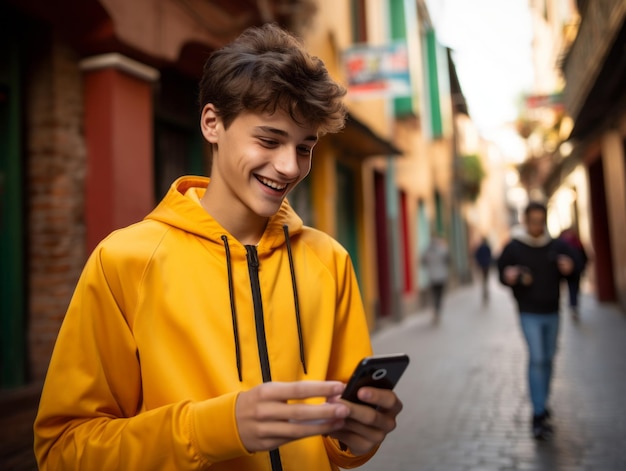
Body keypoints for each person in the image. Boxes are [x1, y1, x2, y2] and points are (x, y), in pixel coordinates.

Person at [34, 23, 402, 471]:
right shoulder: (125, 261)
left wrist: (360, 435)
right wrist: (216, 429)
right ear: (212, 123)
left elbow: (341, 444)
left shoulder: (330, 260)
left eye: (305, 148)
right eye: (269, 140)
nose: (289, 167)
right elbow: (62, 451)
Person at [498, 201, 579, 440]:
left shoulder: (556, 245)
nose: (536, 226)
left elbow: (579, 263)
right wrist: (509, 276)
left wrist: (571, 267)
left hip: (553, 310)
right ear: (525, 220)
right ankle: (538, 413)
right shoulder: (514, 246)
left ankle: (542, 400)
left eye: (540, 221)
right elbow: (501, 271)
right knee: (538, 358)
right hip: (528, 311)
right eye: (532, 221)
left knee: (550, 358)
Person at [558, 227, 588, 320]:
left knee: (573, 289)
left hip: (575, 271)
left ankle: (573, 305)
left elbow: (583, 256)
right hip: (572, 271)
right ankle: (573, 305)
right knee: (573, 289)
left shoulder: (565, 243)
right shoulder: (573, 243)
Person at [422, 235, 450, 323]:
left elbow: (423, 262)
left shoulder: (427, 251)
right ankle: (438, 311)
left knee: (434, 294)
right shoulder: (442, 250)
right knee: (440, 295)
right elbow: (448, 260)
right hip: (441, 276)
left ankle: (435, 310)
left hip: (432, 276)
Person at [474, 237, 493, 303]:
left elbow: (476, 255)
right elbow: (490, 255)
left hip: (482, 265)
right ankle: (485, 289)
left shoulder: (480, 248)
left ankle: (484, 289)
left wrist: (479, 262)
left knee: (483, 278)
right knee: (485, 278)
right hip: (486, 264)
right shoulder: (486, 247)